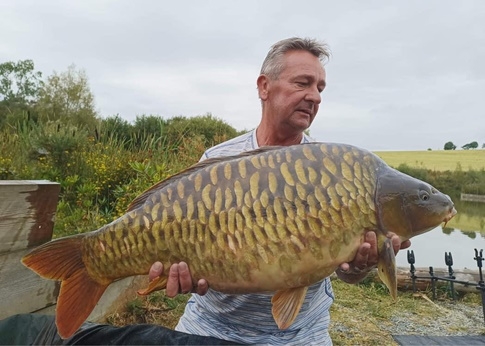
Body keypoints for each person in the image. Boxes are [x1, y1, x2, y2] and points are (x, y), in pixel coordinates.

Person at [148, 37, 411, 345]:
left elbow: (346, 273)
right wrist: (182, 277)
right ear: (264, 87)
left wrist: (359, 267)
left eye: (320, 88)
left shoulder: (336, 172)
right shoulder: (216, 161)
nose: (315, 97)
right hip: (211, 327)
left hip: (302, 335)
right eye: (303, 83)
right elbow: (186, 262)